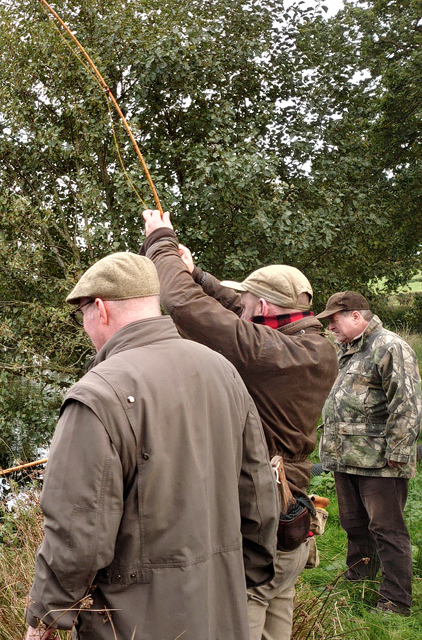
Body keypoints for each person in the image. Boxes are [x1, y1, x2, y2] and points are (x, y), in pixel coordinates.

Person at [24, 252, 279, 640]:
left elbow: (76, 534)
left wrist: (46, 615)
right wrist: (245, 573)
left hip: (131, 622)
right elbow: (259, 498)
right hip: (219, 611)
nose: (85, 327)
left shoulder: (96, 395)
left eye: (83, 315)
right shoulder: (222, 370)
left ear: (100, 309)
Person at [140, 211, 337, 640]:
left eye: (248, 302)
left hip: (264, 517)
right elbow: (233, 308)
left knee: (244, 611)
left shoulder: (271, 354)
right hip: (291, 515)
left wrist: (159, 240)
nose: (240, 307)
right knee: (277, 611)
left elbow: (183, 306)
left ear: (264, 308)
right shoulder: (314, 345)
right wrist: (195, 272)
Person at [318, 291, 421, 616]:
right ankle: (358, 580)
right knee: (354, 525)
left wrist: (399, 452)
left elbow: (407, 402)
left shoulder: (389, 346)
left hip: (380, 461)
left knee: (387, 530)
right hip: (345, 456)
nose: (330, 327)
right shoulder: (345, 350)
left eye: (334, 320)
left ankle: (396, 600)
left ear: (356, 317)